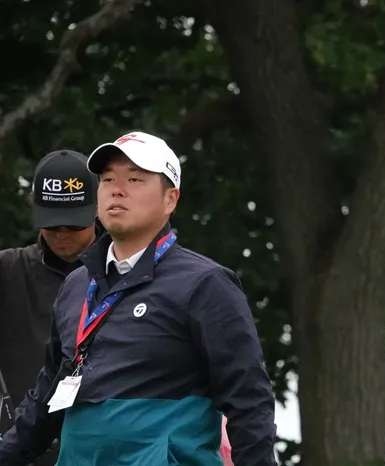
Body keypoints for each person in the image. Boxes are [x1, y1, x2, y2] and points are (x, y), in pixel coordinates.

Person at [0, 131, 277, 466]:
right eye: (108, 179)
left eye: (134, 179)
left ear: (170, 199)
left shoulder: (205, 284)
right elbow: (46, 398)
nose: (117, 189)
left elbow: (249, 401)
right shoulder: (77, 285)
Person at [0, 150, 99, 466]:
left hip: (104, 452)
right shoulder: (8, 271)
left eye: (73, 223)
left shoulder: (127, 272)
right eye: (53, 224)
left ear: (97, 209)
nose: (62, 233)